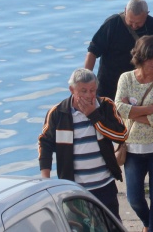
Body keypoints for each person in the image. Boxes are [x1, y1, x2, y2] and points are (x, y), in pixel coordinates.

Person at [39, 68, 128, 219]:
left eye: (92, 90)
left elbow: (121, 135)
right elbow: (45, 144)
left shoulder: (106, 106)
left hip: (104, 185)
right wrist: (46, 181)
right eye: (83, 91)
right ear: (72, 90)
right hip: (74, 189)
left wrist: (94, 115)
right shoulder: (57, 113)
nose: (88, 95)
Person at [114, 36, 153, 232]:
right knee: (134, 198)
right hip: (132, 149)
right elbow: (119, 109)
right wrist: (149, 108)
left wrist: (134, 110)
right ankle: (148, 224)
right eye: (150, 58)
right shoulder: (126, 78)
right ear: (140, 57)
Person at [85, 0, 153, 98]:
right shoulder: (112, 24)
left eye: (139, 23)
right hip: (109, 84)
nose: (134, 26)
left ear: (147, 14)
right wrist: (86, 79)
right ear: (125, 10)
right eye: (131, 22)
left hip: (139, 84)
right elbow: (92, 51)